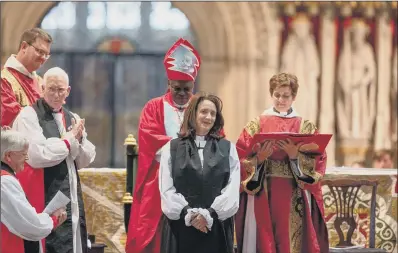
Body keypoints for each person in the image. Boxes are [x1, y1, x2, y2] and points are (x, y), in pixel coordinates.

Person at [235, 73, 329, 253]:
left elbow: (318, 160)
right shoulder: (256, 124)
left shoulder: (306, 126)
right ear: (272, 94)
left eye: (286, 96)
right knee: (265, 241)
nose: (281, 100)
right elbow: (240, 156)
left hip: (294, 192)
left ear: (294, 97)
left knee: (290, 242)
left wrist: (294, 155)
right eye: (277, 95)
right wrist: (260, 158)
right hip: (262, 191)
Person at [125, 38, 201, 253]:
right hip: (159, 176)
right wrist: (189, 142)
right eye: (177, 88)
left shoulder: (201, 107)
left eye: (187, 89)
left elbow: (215, 137)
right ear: (168, 84)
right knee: (155, 234)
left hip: (195, 178)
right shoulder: (154, 107)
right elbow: (149, 140)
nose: (182, 94)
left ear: (193, 85)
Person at [12, 67, 96, 253]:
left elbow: (84, 159)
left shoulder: (71, 117)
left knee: (72, 240)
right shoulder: (29, 115)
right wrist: (68, 140)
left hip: (70, 194)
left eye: (61, 89)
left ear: (68, 91)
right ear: (42, 88)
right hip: (42, 192)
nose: (56, 94)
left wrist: (79, 139)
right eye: (51, 89)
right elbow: (36, 155)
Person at [158, 92, 240, 253]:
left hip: (216, 229)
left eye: (213, 113)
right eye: (203, 112)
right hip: (180, 229)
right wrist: (189, 215)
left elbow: (232, 190)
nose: (208, 117)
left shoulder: (228, 148)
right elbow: (166, 189)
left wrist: (209, 215)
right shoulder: (172, 148)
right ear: (193, 113)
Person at [1, 128, 67, 253]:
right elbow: (30, 225)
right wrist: (53, 219)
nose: (26, 159)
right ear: (8, 155)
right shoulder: (5, 182)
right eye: (23, 154)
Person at [1, 27, 52, 126]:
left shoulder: (40, 82)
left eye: (46, 55)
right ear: (24, 46)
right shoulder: (4, 80)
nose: (43, 58)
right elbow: (12, 121)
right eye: (40, 52)